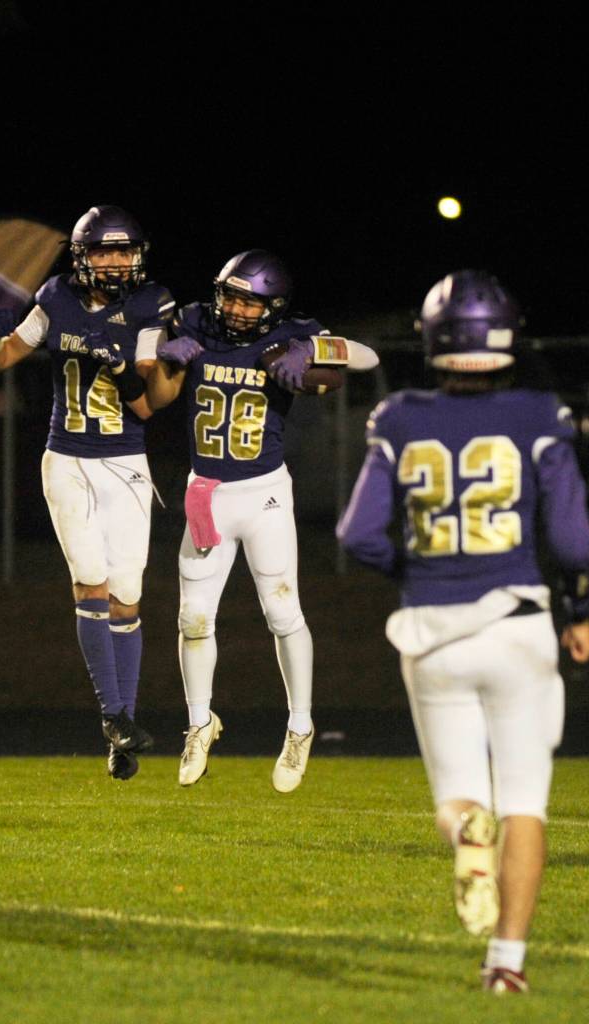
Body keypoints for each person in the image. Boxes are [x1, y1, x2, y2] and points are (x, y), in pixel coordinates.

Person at [336, 269, 589, 993]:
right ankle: (506, 967)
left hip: (432, 634)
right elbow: (572, 541)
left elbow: (357, 533)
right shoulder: (540, 412)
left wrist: (416, 571)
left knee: (460, 800)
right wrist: (579, 614)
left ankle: (466, 840)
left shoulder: (396, 416)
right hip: (518, 623)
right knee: (524, 804)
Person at [146, 249, 378, 791]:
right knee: (192, 618)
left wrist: (307, 357)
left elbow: (361, 359)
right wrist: (165, 356)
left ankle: (300, 727)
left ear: (273, 307)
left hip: (264, 493)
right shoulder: (196, 320)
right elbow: (151, 359)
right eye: (229, 295)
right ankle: (199, 722)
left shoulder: (292, 332)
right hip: (205, 492)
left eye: (249, 302)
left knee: (282, 613)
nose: (234, 309)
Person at [0, 205, 174, 781]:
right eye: (103, 250)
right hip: (66, 456)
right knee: (90, 579)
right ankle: (114, 715)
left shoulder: (149, 303)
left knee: (128, 594)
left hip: (125, 460)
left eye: (123, 250)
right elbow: (2, 359)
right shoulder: (58, 297)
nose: (114, 261)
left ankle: (123, 731)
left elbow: (144, 405)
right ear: (82, 256)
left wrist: (120, 369)